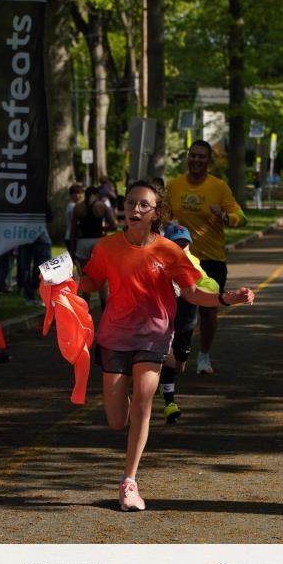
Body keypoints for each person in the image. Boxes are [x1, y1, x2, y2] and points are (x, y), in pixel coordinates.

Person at [79, 181, 255, 511]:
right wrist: (65, 280)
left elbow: (192, 292)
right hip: (115, 336)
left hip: (154, 334)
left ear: (156, 213)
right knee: (117, 420)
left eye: (143, 205)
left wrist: (225, 298)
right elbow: (91, 282)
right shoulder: (107, 247)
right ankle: (127, 404)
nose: (134, 209)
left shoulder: (169, 251)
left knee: (144, 401)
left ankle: (129, 481)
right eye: (130, 203)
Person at [165, 140, 247, 375]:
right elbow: (164, 214)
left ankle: (203, 356)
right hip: (181, 260)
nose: (196, 160)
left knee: (209, 311)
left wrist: (224, 216)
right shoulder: (174, 186)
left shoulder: (219, 187)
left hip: (212, 260)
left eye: (201, 156)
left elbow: (241, 217)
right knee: (177, 311)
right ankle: (174, 356)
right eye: (193, 155)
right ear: (187, 157)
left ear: (208, 160)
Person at [158, 223, 219, 424]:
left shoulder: (192, 263)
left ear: (190, 245)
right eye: (176, 244)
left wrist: (209, 291)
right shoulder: (157, 261)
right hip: (163, 320)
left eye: (184, 244)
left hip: (185, 321)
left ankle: (163, 381)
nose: (180, 248)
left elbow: (207, 282)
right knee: (165, 358)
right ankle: (169, 402)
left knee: (179, 365)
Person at [72, 185, 117, 308]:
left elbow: (73, 231)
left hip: (82, 243)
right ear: (97, 195)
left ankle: (86, 309)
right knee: (101, 276)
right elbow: (114, 225)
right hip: (98, 241)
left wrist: (72, 250)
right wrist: (103, 228)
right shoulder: (101, 206)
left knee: (84, 276)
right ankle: (104, 308)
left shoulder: (78, 207)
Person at [64, 183, 84, 257]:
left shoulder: (71, 205)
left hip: (71, 236)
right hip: (72, 237)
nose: (77, 195)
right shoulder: (73, 206)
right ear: (71, 195)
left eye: (79, 193)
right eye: (74, 193)